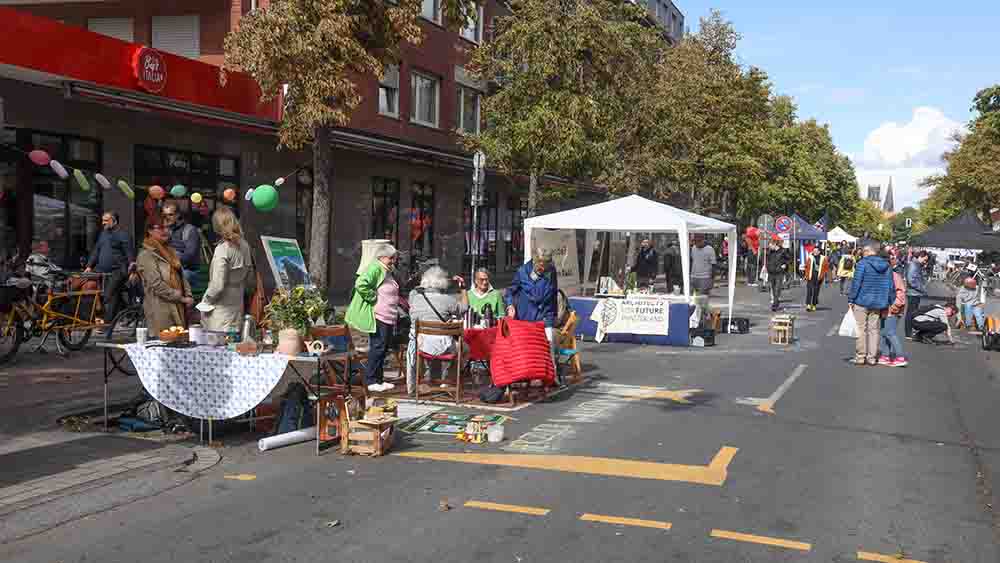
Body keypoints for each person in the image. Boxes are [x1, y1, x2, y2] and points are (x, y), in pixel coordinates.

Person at [346, 243, 400, 392]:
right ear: (381, 257)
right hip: (379, 315)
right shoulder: (375, 268)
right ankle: (370, 380)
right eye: (391, 258)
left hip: (387, 315)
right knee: (378, 347)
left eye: (394, 258)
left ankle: (379, 379)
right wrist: (373, 297)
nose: (393, 260)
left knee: (383, 348)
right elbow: (361, 283)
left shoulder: (385, 269)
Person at [407, 266, 468, 395]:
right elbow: (464, 308)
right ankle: (447, 380)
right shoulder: (448, 300)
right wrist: (463, 289)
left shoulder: (415, 298)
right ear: (442, 282)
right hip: (443, 345)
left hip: (420, 344)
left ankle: (427, 379)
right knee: (465, 349)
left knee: (430, 343)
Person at [198, 207, 254, 333]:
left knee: (216, 348)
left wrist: (205, 301)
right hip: (237, 304)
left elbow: (217, 285)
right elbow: (250, 279)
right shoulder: (245, 245)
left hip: (220, 310)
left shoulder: (223, 248)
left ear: (217, 226)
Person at [136, 220, 193, 335]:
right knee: (164, 345)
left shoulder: (170, 251)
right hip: (161, 310)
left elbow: (181, 276)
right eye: (161, 227)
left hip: (179, 308)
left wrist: (188, 295)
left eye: (168, 227)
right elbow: (157, 284)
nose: (166, 231)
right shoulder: (146, 255)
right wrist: (180, 298)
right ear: (150, 231)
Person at [506, 247, 560, 368]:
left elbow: (554, 293)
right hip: (527, 317)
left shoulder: (551, 271)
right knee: (528, 351)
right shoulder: (522, 272)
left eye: (546, 266)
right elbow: (510, 291)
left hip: (546, 316)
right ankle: (528, 374)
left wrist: (554, 315)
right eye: (541, 267)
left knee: (548, 347)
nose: (543, 270)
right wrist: (510, 305)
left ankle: (551, 375)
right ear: (534, 261)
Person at [85, 212, 136, 335]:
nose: (103, 223)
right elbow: (96, 250)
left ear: (114, 221)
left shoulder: (123, 235)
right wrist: (89, 266)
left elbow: (129, 252)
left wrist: (132, 267)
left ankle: (107, 324)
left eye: (106, 220)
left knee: (110, 295)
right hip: (101, 270)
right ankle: (129, 313)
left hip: (118, 271)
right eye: (103, 220)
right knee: (87, 287)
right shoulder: (103, 234)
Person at [848, 244, 895, 366]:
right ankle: (872, 358)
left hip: (862, 301)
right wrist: (890, 301)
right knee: (874, 330)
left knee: (861, 329)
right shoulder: (887, 266)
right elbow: (891, 286)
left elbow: (856, 283)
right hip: (878, 302)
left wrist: (851, 298)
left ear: (869, 251)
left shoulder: (862, 264)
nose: (862, 253)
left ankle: (860, 357)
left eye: (864, 251)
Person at [161, 202, 201, 285]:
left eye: (170, 215)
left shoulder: (190, 230)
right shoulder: (162, 230)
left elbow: (189, 256)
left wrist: (169, 255)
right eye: (164, 215)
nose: (166, 218)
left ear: (178, 215)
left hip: (188, 271)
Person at [879, 253, 908, 367]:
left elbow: (900, 292)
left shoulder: (894, 275)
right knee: (884, 333)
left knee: (890, 333)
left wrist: (895, 306)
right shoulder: (887, 274)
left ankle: (900, 356)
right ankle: (885, 356)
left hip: (893, 308)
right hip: (886, 308)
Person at [905, 250, 930, 339]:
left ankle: (910, 331)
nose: (925, 262)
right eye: (925, 259)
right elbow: (911, 280)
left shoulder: (916, 265)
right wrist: (921, 288)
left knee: (913, 313)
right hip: (913, 293)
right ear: (920, 256)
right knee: (911, 313)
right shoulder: (914, 265)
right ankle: (908, 333)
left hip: (915, 292)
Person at [766, 238, 790, 312]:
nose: (769, 247)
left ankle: (775, 305)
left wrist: (785, 264)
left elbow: (789, 259)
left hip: (779, 273)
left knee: (777, 289)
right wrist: (768, 268)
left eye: (770, 245)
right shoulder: (770, 252)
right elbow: (768, 260)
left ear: (774, 244)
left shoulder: (783, 251)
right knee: (773, 289)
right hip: (771, 272)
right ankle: (776, 301)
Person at [803, 246, 829, 312]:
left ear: (819, 252)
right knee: (809, 291)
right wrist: (806, 275)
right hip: (810, 276)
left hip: (818, 277)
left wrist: (823, 275)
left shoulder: (823, 258)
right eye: (814, 251)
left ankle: (814, 305)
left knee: (816, 292)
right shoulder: (810, 257)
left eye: (816, 251)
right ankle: (808, 305)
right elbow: (806, 266)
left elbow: (826, 268)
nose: (814, 252)